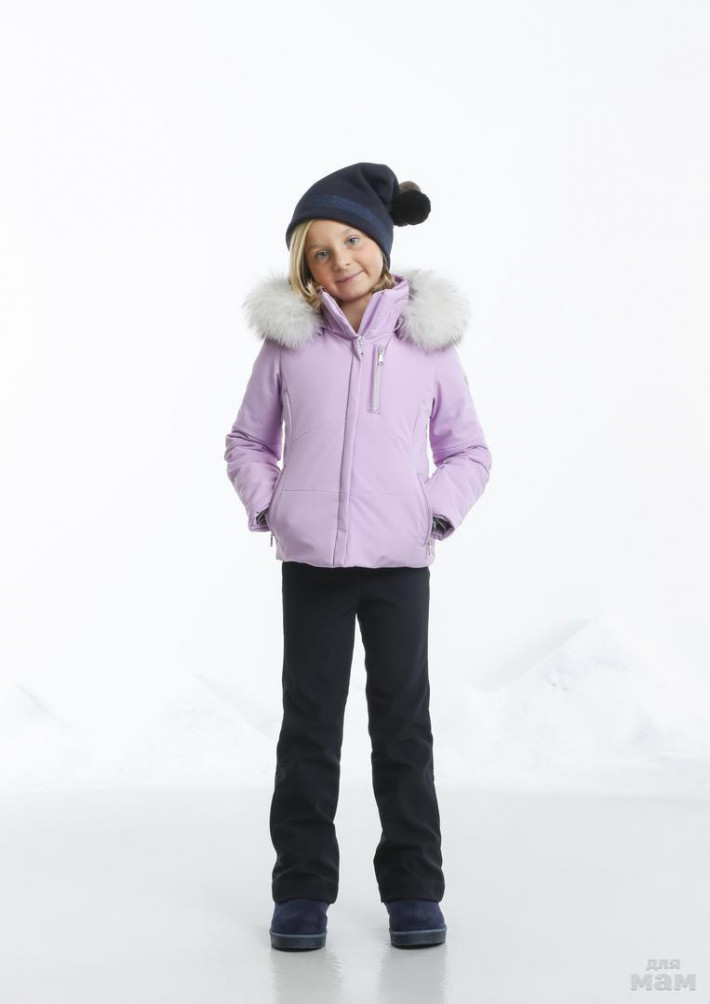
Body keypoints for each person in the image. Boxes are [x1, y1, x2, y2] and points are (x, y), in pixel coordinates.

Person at [223, 162, 493, 951]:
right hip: (312, 565)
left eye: (351, 240)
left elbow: (468, 451)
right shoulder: (289, 348)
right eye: (319, 251)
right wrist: (273, 505)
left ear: (380, 240)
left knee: (402, 727)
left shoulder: (427, 347)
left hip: (400, 566)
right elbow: (246, 441)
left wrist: (431, 512)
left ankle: (414, 888)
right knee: (309, 728)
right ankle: (301, 890)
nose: (340, 260)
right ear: (304, 268)